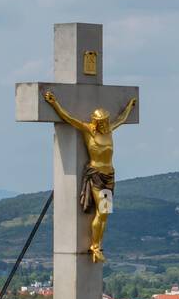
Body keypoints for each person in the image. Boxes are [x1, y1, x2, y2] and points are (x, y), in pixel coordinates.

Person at [43, 90, 137, 262]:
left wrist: (130, 107)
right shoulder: (88, 131)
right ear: (96, 122)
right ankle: (94, 246)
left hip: (109, 176)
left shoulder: (109, 130)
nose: (105, 124)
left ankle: (98, 244)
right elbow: (69, 119)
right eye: (102, 121)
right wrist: (54, 103)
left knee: (105, 213)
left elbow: (122, 119)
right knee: (101, 211)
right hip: (96, 176)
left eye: (106, 121)